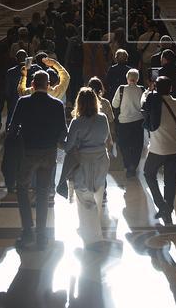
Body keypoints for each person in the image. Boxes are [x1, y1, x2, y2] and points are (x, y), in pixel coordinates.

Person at [8, 69, 67, 251]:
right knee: (43, 192)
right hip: (48, 153)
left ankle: (27, 230)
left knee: (22, 188)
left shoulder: (23, 102)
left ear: (32, 84)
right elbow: (63, 131)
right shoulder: (57, 104)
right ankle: (41, 235)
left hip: (28, 152)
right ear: (48, 85)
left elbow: (12, 127)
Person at [65, 88, 112, 250]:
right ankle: (95, 228)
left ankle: (93, 237)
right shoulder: (103, 118)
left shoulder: (76, 122)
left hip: (83, 161)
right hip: (100, 160)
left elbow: (69, 146)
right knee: (98, 195)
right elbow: (105, 137)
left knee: (85, 199)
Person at [140, 75, 176, 222]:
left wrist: (148, 92)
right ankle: (168, 208)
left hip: (157, 149)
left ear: (156, 87)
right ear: (171, 88)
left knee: (148, 174)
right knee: (170, 180)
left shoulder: (151, 102)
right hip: (174, 148)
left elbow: (142, 106)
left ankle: (161, 205)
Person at [111, 68, 145, 177]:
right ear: (138, 79)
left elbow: (115, 105)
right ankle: (134, 166)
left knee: (124, 145)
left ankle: (127, 164)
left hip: (124, 122)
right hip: (138, 122)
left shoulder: (121, 89)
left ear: (127, 78)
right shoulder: (142, 90)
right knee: (137, 146)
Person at [0, 50, 27, 136]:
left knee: (11, 116)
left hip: (14, 98)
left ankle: (9, 134)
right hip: (27, 97)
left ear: (16, 59)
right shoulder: (30, 70)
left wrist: (8, 98)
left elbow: (7, 89)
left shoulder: (10, 71)